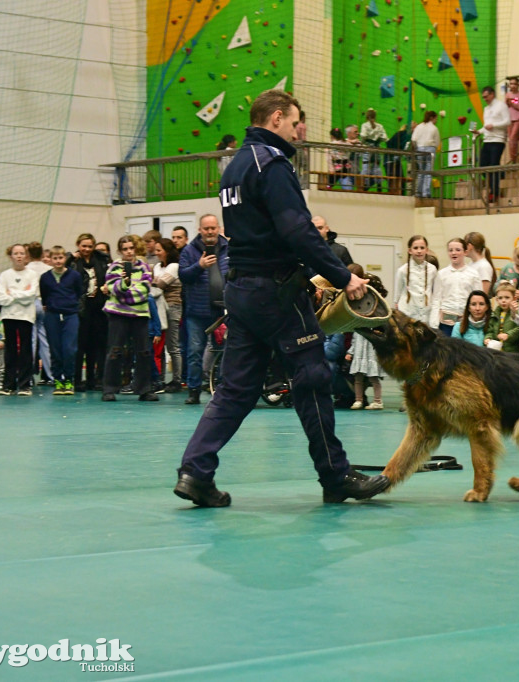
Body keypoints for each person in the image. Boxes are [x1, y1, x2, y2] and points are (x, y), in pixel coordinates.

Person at [174, 89, 388, 507]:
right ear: (275, 119)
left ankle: (194, 472)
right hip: (276, 292)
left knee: (235, 389)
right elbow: (298, 230)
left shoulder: (234, 167)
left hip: (242, 290)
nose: (297, 131)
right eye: (294, 123)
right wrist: (343, 277)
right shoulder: (271, 165)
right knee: (311, 378)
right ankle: (336, 475)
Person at [178, 214, 229, 404]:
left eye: (213, 228)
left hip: (223, 312)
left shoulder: (228, 249)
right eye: (206, 228)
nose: (210, 232)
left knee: (227, 350)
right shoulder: (189, 251)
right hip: (196, 313)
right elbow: (183, 275)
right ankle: (193, 391)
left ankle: (222, 387)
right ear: (199, 230)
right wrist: (198, 266)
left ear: (218, 228)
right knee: (194, 352)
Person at [100, 235, 157, 402]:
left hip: (139, 316)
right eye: (125, 249)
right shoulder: (113, 268)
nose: (129, 252)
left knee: (144, 352)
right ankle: (109, 389)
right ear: (120, 251)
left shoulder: (144, 268)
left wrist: (124, 294)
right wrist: (125, 284)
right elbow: (114, 288)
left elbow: (144, 289)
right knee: (115, 351)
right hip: (118, 316)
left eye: (131, 248)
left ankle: (144, 389)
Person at [67, 233, 110, 393]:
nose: (86, 249)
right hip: (81, 308)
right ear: (78, 245)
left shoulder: (100, 260)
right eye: (83, 246)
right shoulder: (73, 262)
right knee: (80, 346)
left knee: (97, 345)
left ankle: (94, 379)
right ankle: (77, 380)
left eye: (90, 246)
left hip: (98, 308)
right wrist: (70, 257)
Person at [40, 246, 85, 395]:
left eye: (60, 258)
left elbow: (79, 292)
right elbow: (44, 296)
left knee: (69, 349)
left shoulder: (74, 276)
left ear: (65, 259)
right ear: (50, 260)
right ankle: (58, 380)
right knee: (55, 349)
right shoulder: (45, 277)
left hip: (70, 315)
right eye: (55, 258)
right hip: (52, 315)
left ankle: (69, 380)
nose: (58, 261)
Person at [0, 244, 40, 396]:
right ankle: (8, 384)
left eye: (22, 253)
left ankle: (24, 385)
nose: (19, 256)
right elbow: (1, 299)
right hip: (9, 316)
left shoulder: (32, 275)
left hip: (26, 317)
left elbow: (31, 295)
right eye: (16, 253)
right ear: (11, 256)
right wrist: (22, 293)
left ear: (26, 256)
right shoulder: (4, 275)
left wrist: (12, 293)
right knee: (11, 350)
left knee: (26, 350)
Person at [346, 264, 387, 410]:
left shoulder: (371, 293)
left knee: (373, 376)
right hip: (359, 342)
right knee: (358, 376)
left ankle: (378, 400)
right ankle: (359, 400)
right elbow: (355, 335)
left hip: (371, 344)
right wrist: (350, 352)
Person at [152, 238, 184, 392]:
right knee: (161, 345)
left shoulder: (174, 267)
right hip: (159, 308)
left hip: (172, 307)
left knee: (173, 346)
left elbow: (159, 285)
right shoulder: (158, 266)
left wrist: (152, 281)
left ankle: (177, 380)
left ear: (167, 251)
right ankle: (161, 379)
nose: (156, 253)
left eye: (159, 250)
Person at [26, 241, 54, 386]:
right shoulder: (49, 269)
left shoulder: (25, 269)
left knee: (31, 341)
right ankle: (51, 375)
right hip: (45, 305)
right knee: (45, 342)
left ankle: (28, 376)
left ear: (28, 254)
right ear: (42, 253)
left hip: (31, 304)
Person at [477, 86, 510, 200]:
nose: (485, 99)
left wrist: (494, 126)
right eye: (483, 97)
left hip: (498, 140)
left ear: (492, 94)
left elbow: (507, 121)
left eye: (486, 96)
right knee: (482, 166)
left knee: (493, 165)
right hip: (487, 140)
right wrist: (479, 131)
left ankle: (494, 191)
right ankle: (495, 182)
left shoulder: (501, 106)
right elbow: (487, 125)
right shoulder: (486, 109)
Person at [394, 235, 436, 323]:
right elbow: (397, 295)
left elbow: (434, 292)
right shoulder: (402, 270)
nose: (419, 251)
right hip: (407, 313)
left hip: (426, 314)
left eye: (422, 248)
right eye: (415, 248)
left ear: (426, 250)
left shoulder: (432, 269)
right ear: (410, 250)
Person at [485, 282, 519, 352]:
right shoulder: (494, 314)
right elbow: (490, 330)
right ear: (497, 300)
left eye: (507, 297)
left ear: (514, 298)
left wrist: (508, 335)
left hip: (511, 351)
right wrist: (488, 338)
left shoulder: (516, 313)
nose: (503, 301)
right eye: (500, 298)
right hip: (497, 350)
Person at [411, 110, 440, 197]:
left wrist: (416, 149)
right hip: (430, 149)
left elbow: (413, 140)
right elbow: (437, 141)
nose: (436, 121)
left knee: (421, 171)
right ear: (432, 118)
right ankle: (426, 192)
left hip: (419, 149)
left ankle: (418, 192)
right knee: (428, 171)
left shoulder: (419, 127)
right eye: (436, 119)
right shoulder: (434, 128)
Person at [359, 108, 388, 190]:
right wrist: (377, 139)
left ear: (367, 117)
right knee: (376, 166)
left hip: (367, 148)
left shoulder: (364, 125)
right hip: (376, 148)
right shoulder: (379, 126)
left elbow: (363, 136)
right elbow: (385, 138)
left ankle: (365, 185)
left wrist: (364, 140)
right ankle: (379, 186)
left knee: (366, 166)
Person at [504, 78, 519, 162]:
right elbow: (505, 107)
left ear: (518, 85)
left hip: (518, 119)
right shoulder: (507, 95)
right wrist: (507, 104)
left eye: (514, 84)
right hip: (509, 119)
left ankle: (513, 158)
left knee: (513, 138)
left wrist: (513, 105)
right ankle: (513, 158)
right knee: (511, 139)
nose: (512, 86)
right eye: (511, 84)